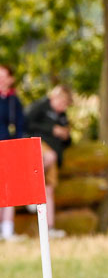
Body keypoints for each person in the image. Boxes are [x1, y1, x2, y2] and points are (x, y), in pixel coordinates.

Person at [25, 85, 73, 237]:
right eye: (62, 102)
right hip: (39, 146)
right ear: (55, 97)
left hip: (54, 153)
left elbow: (67, 140)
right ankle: (29, 192)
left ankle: (49, 228)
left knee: (49, 189)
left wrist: (66, 136)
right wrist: (52, 129)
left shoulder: (62, 115)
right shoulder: (40, 106)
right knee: (49, 156)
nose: (63, 107)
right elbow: (27, 124)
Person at [0, 64, 25, 241]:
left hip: (9, 148)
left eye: (3, 76)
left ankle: (7, 230)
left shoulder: (13, 101)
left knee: (9, 188)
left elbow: (20, 126)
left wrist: (16, 147)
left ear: (10, 79)